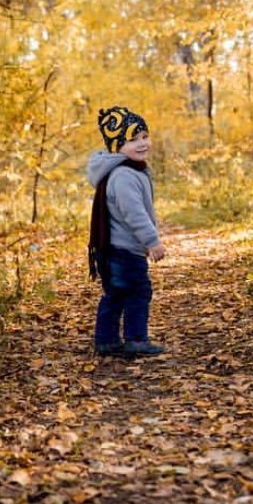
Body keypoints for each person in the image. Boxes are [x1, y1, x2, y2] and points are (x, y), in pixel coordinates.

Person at [87, 106, 167, 357]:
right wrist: (152, 241)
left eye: (144, 136)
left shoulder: (130, 170)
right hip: (123, 251)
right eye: (133, 139)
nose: (142, 143)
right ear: (117, 145)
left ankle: (106, 341)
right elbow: (134, 213)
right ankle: (136, 339)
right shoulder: (124, 175)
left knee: (115, 294)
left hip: (114, 249)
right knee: (137, 292)